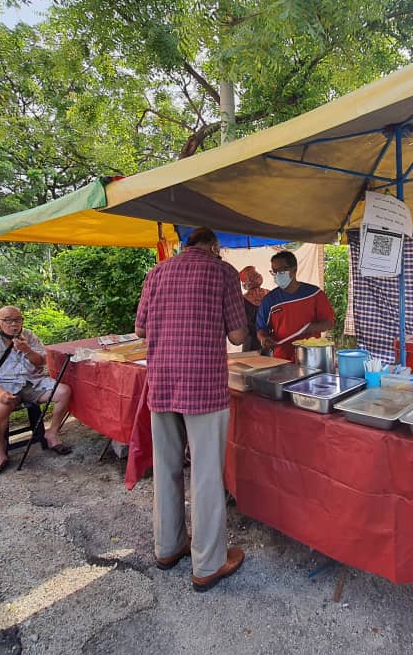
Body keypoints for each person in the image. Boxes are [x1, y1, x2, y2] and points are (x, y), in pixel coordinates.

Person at [135, 227, 248, 592]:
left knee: (166, 467)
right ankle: (208, 564)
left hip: (162, 381)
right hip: (203, 386)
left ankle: (167, 548)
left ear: (185, 245)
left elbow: (140, 330)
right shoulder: (223, 272)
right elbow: (237, 337)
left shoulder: (157, 272)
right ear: (214, 246)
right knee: (205, 475)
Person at [0, 305, 73, 475]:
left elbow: (41, 362)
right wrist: (0, 393)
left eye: (17, 320)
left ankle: (52, 433)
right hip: (3, 386)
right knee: (1, 407)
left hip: (31, 383)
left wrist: (27, 350)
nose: (14, 324)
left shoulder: (30, 336)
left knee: (64, 391)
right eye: (8, 320)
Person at [256, 249, 335, 362]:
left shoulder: (314, 294)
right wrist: (264, 339)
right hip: (281, 359)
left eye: (282, 271)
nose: (278, 275)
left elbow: (329, 323)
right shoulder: (269, 300)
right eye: (274, 271)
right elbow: (261, 329)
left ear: (294, 270)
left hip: (311, 357)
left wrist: (311, 328)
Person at [239, 266, 269, 353]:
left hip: (266, 341)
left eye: (256, 273)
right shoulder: (242, 300)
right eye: (252, 275)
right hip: (254, 343)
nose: (257, 275)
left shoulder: (269, 294)